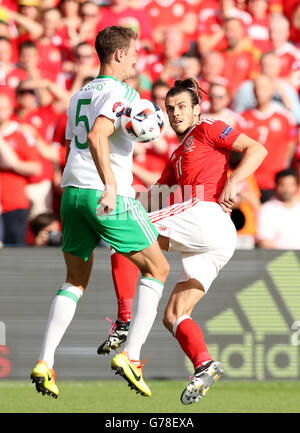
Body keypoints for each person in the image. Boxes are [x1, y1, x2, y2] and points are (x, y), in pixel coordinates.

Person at [101, 77, 267, 404]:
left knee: (123, 237)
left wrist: (234, 180)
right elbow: (154, 199)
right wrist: (117, 198)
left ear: (196, 110)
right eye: (170, 108)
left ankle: (124, 325)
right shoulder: (177, 155)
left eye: (181, 107)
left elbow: (257, 148)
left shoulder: (207, 128)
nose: (176, 113)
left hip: (205, 212)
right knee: (174, 315)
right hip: (215, 237)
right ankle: (204, 363)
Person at [30, 25, 169, 400]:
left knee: (74, 281)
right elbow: (96, 136)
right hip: (105, 194)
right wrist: (110, 184)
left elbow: (78, 140)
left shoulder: (80, 94)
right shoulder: (121, 91)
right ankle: (132, 356)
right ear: (120, 54)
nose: (138, 58)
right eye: (135, 52)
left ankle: (45, 361)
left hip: (72, 192)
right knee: (159, 268)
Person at [256, 168, 300, 249]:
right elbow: (265, 242)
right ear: (276, 185)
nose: (287, 189)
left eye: (290, 185)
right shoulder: (266, 209)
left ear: (296, 187)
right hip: (278, 259)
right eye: (283, 185)